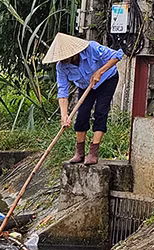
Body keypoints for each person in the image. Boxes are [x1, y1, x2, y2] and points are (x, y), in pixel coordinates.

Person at [43, 33, 124, 165]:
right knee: (82, 115)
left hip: (107, 79)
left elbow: (117, 56)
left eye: (65, 57)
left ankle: (93, 151)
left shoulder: (92, 48)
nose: (63, 60)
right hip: (85, 86)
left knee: (100, 111)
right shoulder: (61, 67)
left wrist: (100, 71)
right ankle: (79, 152)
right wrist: (64, 115)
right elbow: (63, 91)